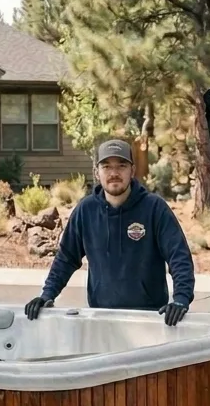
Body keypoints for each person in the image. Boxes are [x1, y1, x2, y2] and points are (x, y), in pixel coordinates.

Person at [24, 139, 195, 324]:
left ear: (132, 171)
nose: (114, 173)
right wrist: (47, 294)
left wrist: (181, 299)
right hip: (101, 319)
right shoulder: (85, 211)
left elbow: (179, 257)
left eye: (121, 166)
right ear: (97, 172)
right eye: (106, 166)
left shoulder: (154, 208)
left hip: (150, 320)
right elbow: (66, 258)